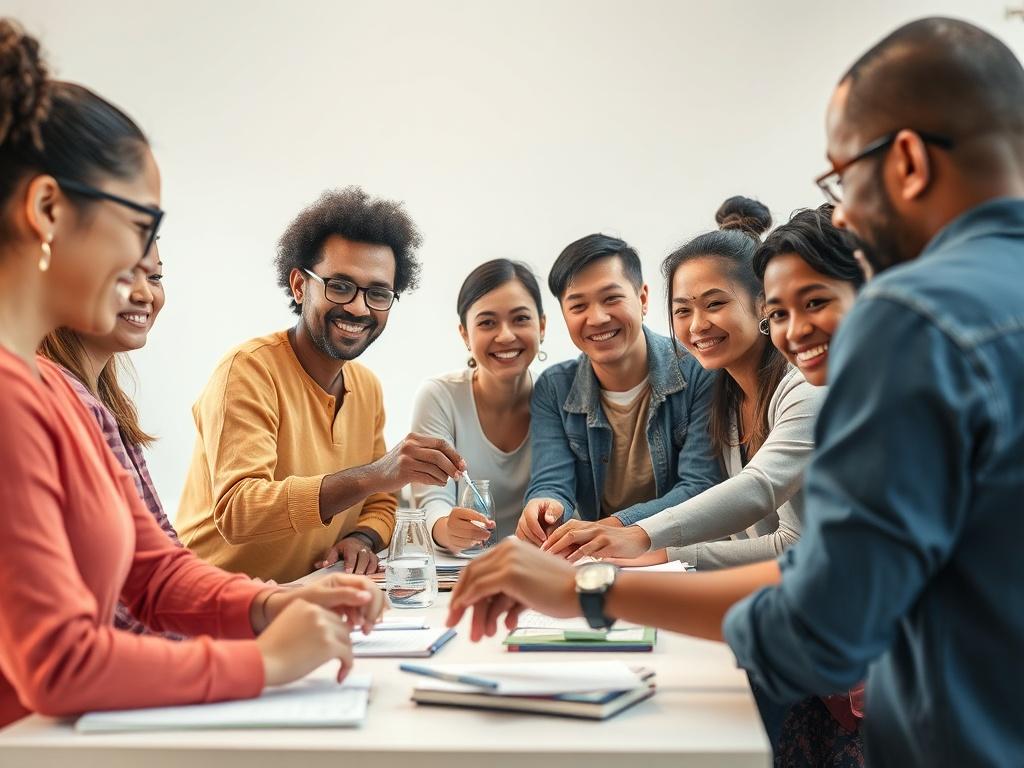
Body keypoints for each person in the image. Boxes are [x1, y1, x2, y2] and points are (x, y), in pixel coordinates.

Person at [447, 16, 1024, 767]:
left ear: (908, 160)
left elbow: (824, 613)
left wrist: (591, 588)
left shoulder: (915, 317)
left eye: (843, 178)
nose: (842, 213)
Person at [0, 18, 383, 729]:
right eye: (142, 225)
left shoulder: (60, 392)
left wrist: (276, 603)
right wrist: (264, 661)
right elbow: (57, 663)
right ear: (48, 209)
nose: (146, 264)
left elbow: (152, 572)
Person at [176, 187, 466, 582]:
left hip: (306, 598)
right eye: (340, 286)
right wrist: (375, 474)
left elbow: (380, 503)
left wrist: (362, 539)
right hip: (214, 607)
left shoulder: (366, 387)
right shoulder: (247, 371)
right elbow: (239, 510)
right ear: (300, 286)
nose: (359, 308)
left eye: (378, 293)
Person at [543, 197, 828, 570]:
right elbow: (739, 532)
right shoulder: (722, 396)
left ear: (763, 303)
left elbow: (783, 531)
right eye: (682, 310)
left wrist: (645, 541)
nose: (696, 326)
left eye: (714, 304)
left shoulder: (805, 389)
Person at [516, 233, 721, 545]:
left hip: (679, 554)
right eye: (578, 305)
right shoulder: (554, 388)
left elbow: (700, 485)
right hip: (598, 558)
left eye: (611, 298)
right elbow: (552, 480)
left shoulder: (697, 370)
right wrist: (544, 505)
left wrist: (610, 527)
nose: (597, 318)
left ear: (642, 299)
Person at [39, 245, 181, 636]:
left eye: (155, 277)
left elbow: (162, 553)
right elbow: (108, 603)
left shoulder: (105, 403)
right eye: (122, 275)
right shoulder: (62, 401)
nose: (145, 294)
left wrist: (262, 605)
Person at [411, 259, 545, 552]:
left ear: (542, 326)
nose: (506, 335)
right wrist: (447, 528)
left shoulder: (558, 397)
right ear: (465, 335)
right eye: (487, 322)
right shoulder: (439, 396)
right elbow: (432, 499)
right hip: (464, 566)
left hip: (541, 566)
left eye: (520, 319)